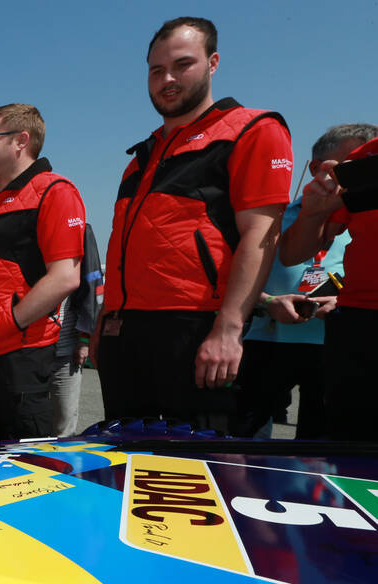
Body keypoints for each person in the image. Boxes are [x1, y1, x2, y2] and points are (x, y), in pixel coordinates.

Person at [93, 17, 293, 433]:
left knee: (196, 477)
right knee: (124, 470)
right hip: (124, 338)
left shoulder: (252, 130)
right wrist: (103, 326)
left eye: (182, 65)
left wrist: (228, 330)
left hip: (196, 331)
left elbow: (262, 235)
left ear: (213, 62)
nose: (167, 78)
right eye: (156, 70)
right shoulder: (142, 154)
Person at [0, 104, 84, 443]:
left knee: (19, 475)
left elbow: (66, 276)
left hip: (18, 360)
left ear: (21, 141)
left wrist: (9, 323)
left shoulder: (55, 192)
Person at [235, 124, 377, 439]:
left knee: (320, 435)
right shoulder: (272, 214)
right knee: (249, 436)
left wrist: (338, 300)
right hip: (279, 337)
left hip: (327, 336)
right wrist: (270, 301)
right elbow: (255, 266)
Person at [281, 127, 378, 440]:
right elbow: (294, 253)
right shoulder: (366, 157)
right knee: (349, 451)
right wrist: (311, 215)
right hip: (359, 328)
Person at [49, 224, 102, 436]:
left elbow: (92, 288)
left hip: (65, 348)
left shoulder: (79, 230)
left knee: (63, 423)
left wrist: (84, 340)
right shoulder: (24, 224)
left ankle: (61, 465)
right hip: (28, 351)